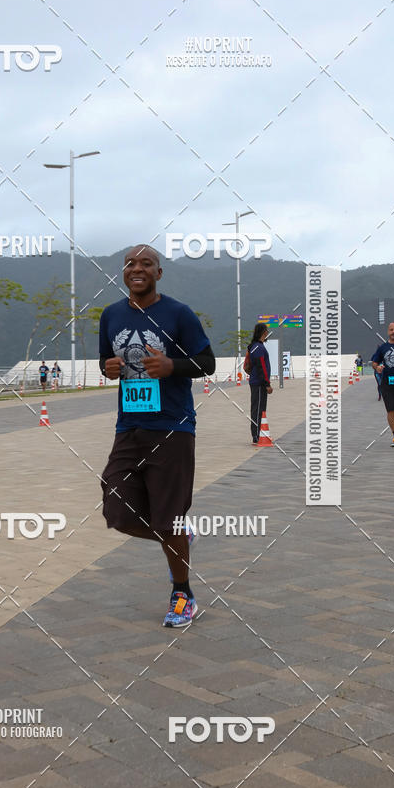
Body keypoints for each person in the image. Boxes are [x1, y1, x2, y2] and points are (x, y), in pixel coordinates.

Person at [99, 245, 216, 628]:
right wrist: (108, 368)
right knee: (117, 512)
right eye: (130, 264)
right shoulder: (111, 315)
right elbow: (105, 362)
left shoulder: (179, 314)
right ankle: (179, 535)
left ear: (158, 273)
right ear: (124, 272)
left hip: (173, 428)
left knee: (169, 520)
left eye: (146, 264)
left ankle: (183, 595)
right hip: (128, 427)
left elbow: (207, 362)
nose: (137, 269)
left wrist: (171, 366)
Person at [244, 323, 273, 444]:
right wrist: (267, 384)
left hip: (257, 381)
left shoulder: (256, 346)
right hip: (259, 383)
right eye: (267, 330)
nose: (267, 332)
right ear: (263, 332)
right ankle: (256, 435)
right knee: (258, 409)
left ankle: (259, 433)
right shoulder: (258, 347)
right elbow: (261, 367)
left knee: (259, 408)